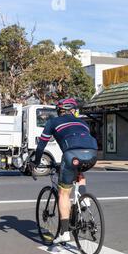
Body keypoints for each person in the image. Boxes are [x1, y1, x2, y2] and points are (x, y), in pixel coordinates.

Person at [29, 98, 98, 244]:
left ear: (59, 111)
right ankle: (84, 198)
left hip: (71, 155)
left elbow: (41, 145)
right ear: (73, 111)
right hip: (92, 154)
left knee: (64, 193)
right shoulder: (83, 123)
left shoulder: (53, 122)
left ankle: (64, 232)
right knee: (79, 171)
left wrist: (36, 162)